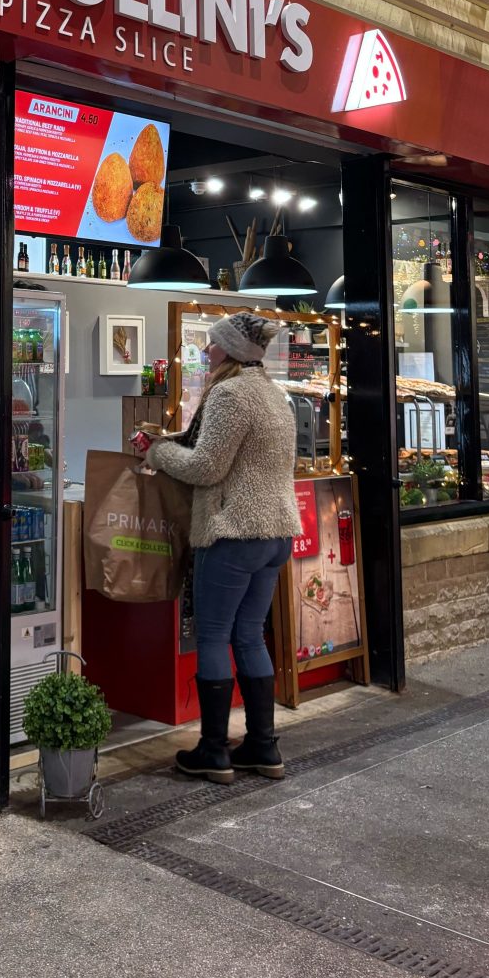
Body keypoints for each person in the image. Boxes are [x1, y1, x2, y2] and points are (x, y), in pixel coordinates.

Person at [144, 311, 300, 784]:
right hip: (275, 534)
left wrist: (156, 451)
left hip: (233, 532)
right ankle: (263, 747)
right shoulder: (276, 396)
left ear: (231, 350)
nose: (206, 351)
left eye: (213, 345)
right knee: (250, 635)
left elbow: (207, 468)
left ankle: (214, 750)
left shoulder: (230, 395)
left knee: (213, 638)